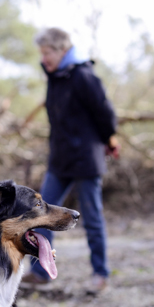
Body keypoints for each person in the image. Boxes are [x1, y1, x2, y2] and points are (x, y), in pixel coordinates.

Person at [22, 27, 118, 293]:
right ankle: (40, 272)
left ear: (63, 49)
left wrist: (110, 139)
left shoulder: (84, 76)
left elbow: (105, 113)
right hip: (60, 160)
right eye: (41, 53)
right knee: (39, 214)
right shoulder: (55, 78)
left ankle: (100, 274)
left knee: (92, 217)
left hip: (87, 159)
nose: (44, 58)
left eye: (48, 52)